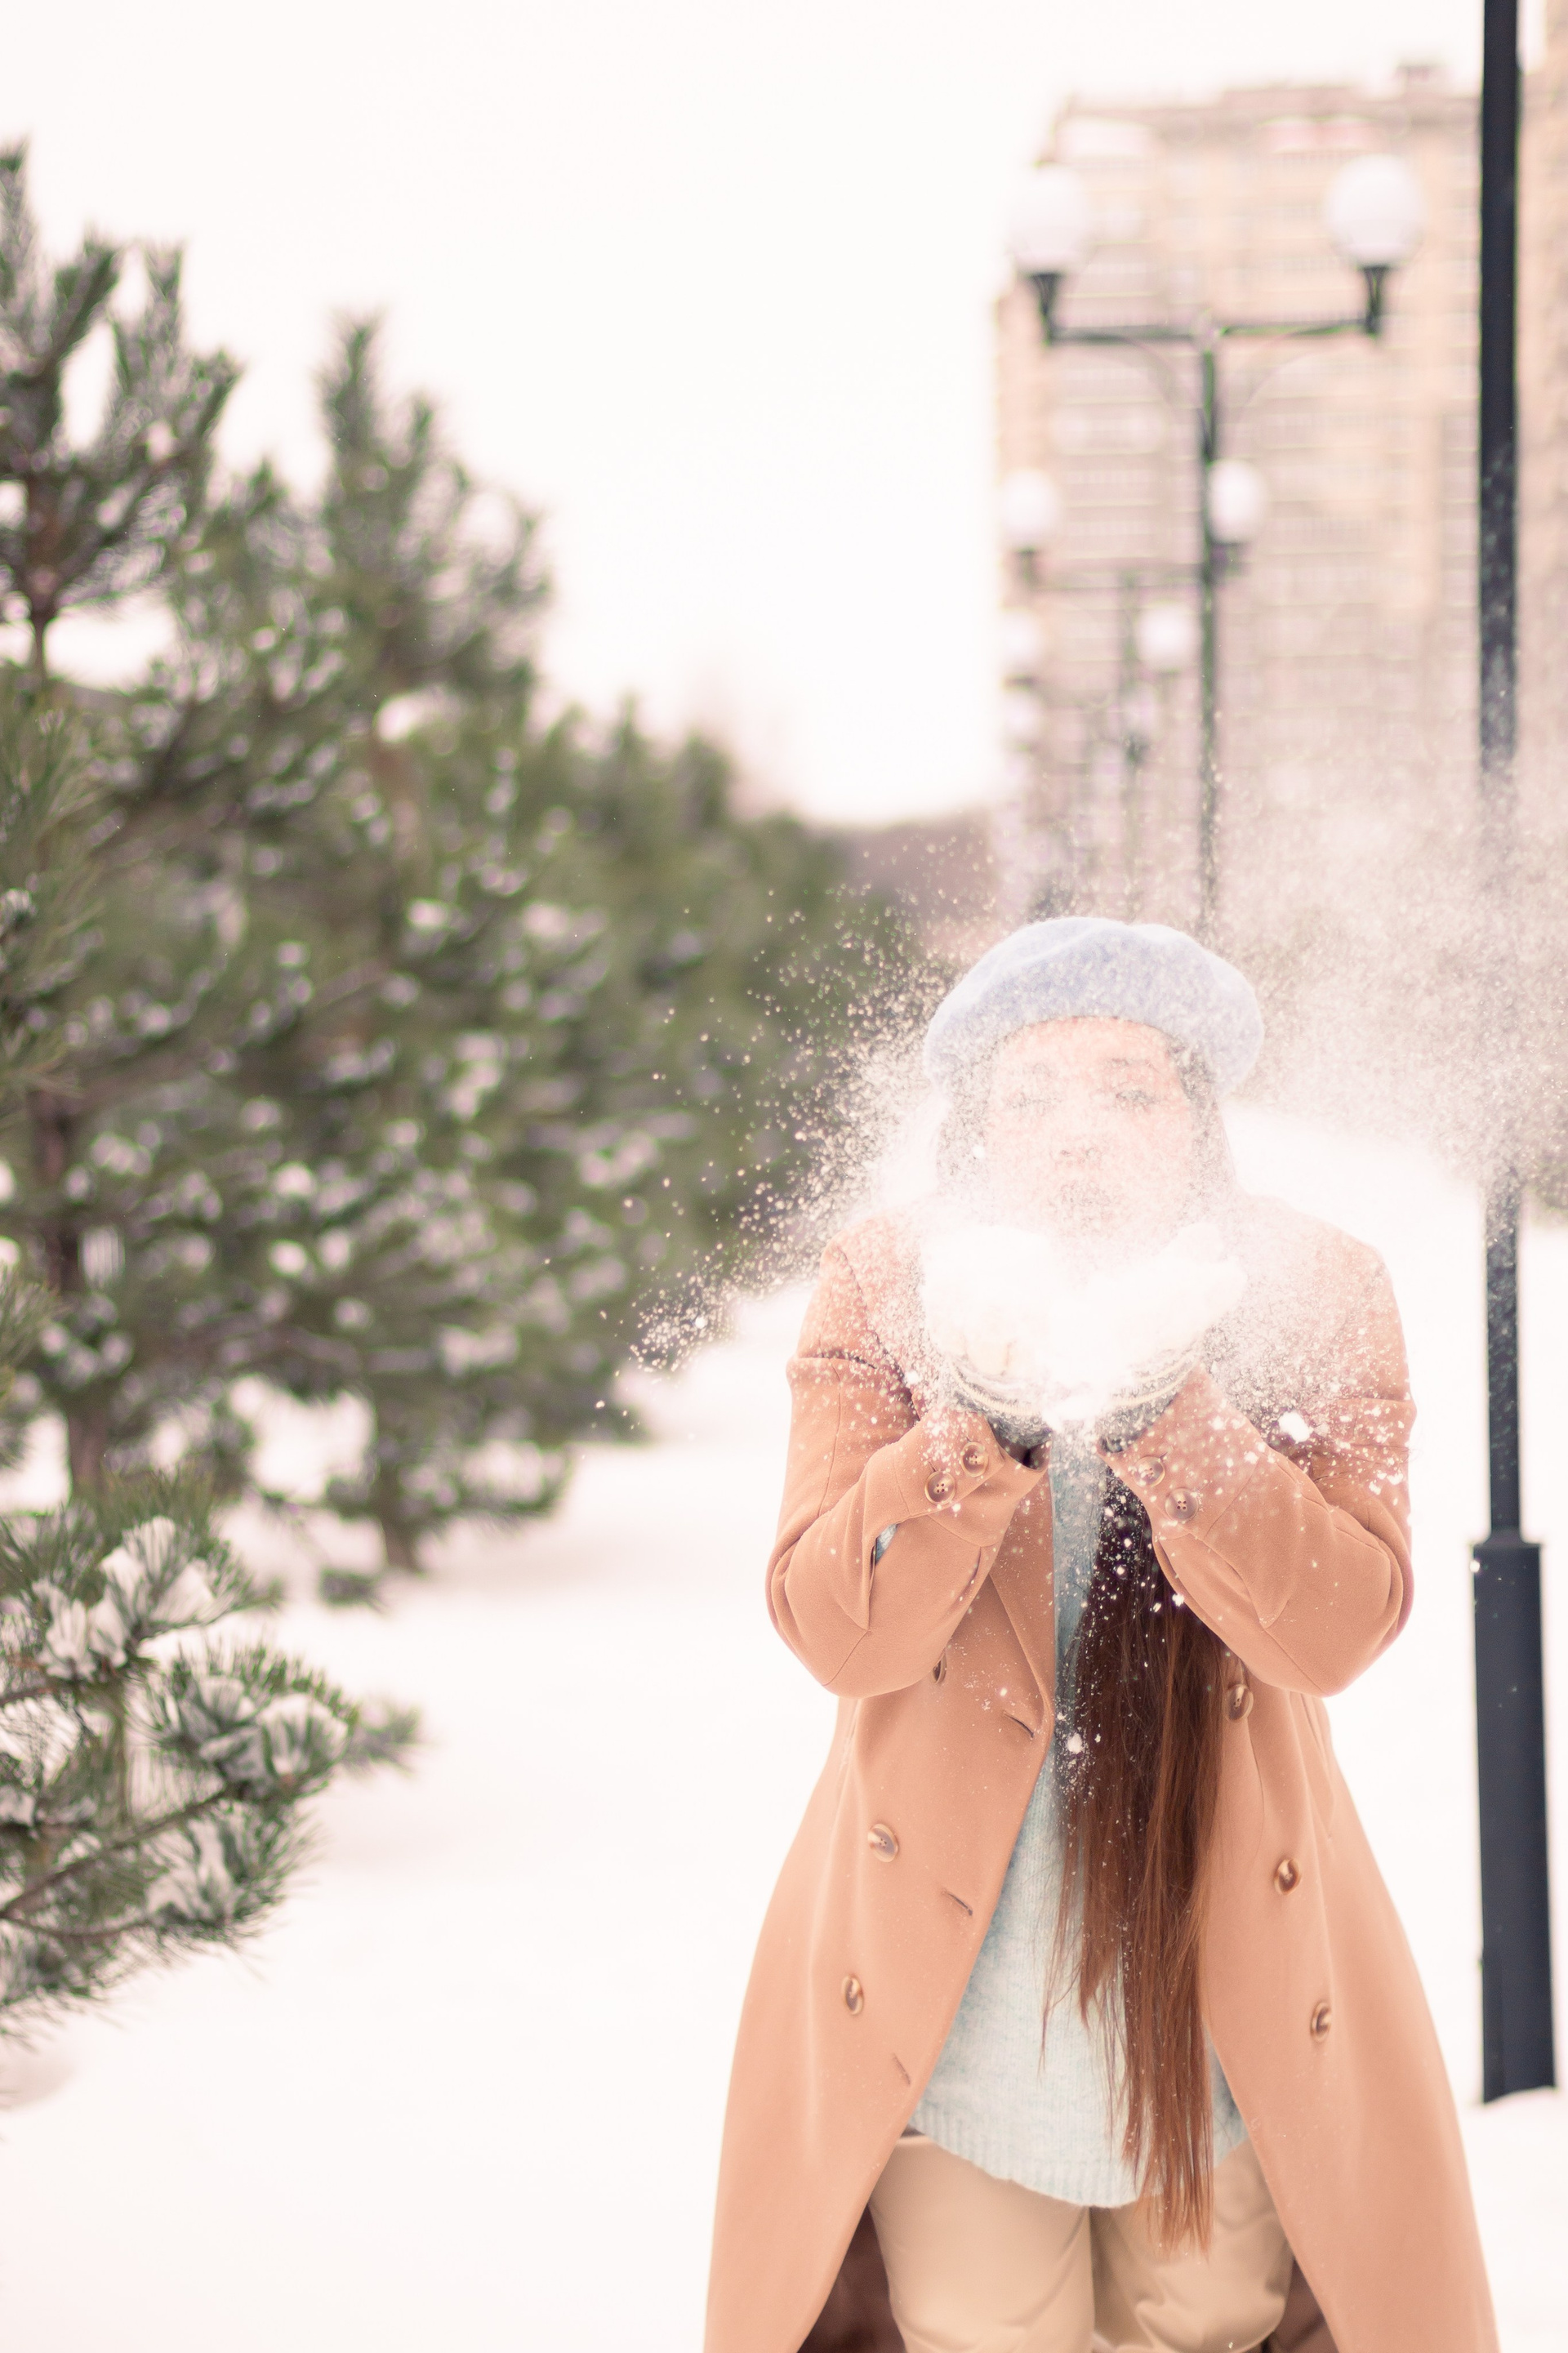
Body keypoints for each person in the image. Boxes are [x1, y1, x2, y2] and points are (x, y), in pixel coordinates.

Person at [705, 919, 1496, 2353]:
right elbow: (835, 1627)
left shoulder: (1315, 1289)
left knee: (1209, 2321)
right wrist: (975, 1428)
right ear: (977, 1127)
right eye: (1034, 1092)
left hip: (1224, 1997)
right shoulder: (887, 1287)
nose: (1081, 1131)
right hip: (952, 2008)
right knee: (979, 2326)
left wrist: (1171, 1421)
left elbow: (1337, 1626)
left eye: (1131, 1088)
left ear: (1199, 1120)